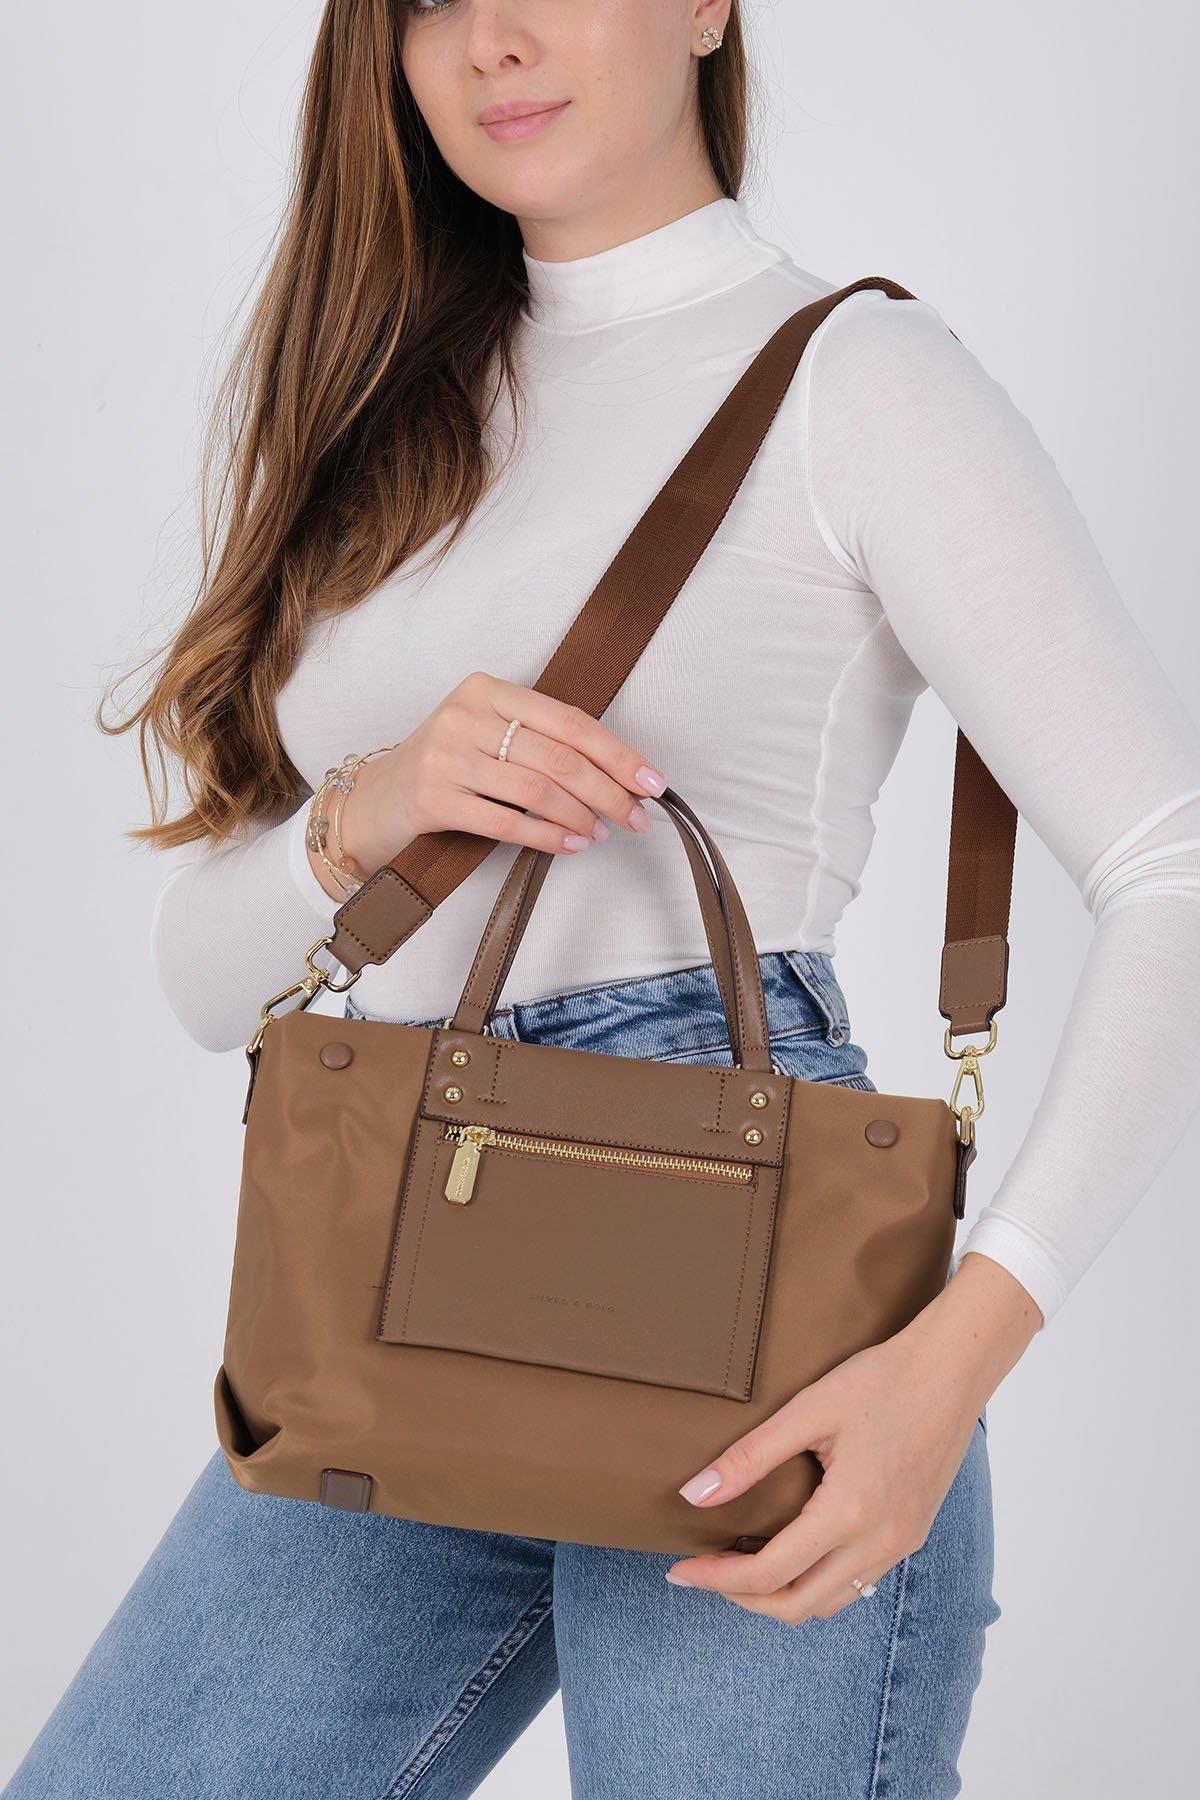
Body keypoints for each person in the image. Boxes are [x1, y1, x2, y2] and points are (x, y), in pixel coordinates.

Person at [8, 3, 1200, 1796]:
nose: (492, 39)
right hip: (393, 1250)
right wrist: (375, 805)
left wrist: (959, 1353)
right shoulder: (384, 419)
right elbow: (201, 987)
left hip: (754, 1276)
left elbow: (1170, 866)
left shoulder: (859, 377)